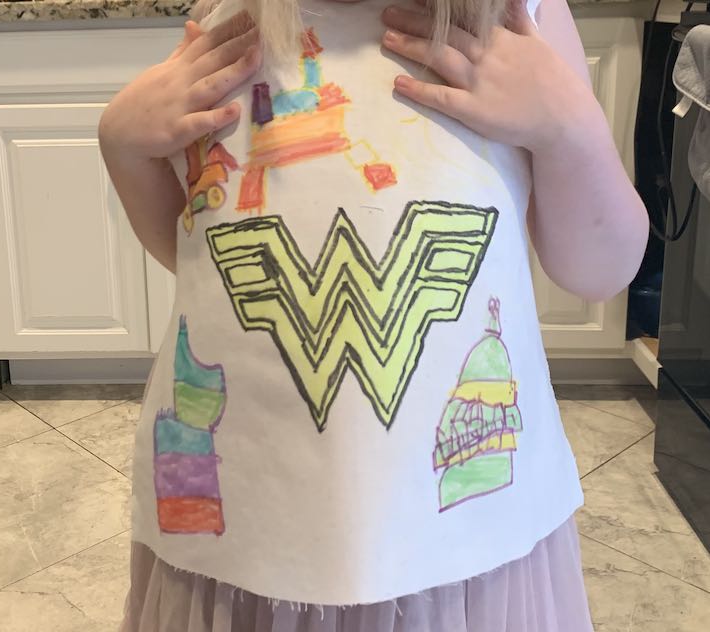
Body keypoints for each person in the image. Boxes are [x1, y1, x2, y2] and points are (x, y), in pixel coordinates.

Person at [99, 0, 648, 630]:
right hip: (245, 540)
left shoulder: (519, 17)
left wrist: (570, 125)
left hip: (466, 550)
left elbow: (601, 271)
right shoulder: (229, 24)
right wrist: (123, 146)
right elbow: (200, 258)